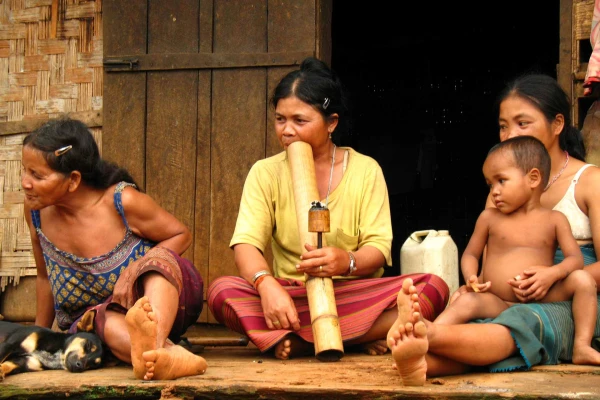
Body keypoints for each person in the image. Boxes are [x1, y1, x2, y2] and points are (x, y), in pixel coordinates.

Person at [207, 57, 450, 360]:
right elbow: (246, 244)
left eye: (300, 120)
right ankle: (360, 335)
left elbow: (377, 249)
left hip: (352, 295)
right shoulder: (265, 172)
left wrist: (345, 262)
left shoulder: (365, 169)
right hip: (291, 299)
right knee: (221, 292)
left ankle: (303, 343)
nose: (287, 130)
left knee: (432, 288)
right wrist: (266, 285)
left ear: (331, 122)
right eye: (280, 119)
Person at [386, 73, 600, 386]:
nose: (509, 134)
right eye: (503, 125)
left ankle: (426, 336)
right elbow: (489, 256)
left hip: (571, 298)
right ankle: (418, 362)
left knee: (521, 323)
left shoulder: (590, 181)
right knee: (475, 310)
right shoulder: (502, 189)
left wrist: (550, 277)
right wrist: (474, 286)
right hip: (508, 293)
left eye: (522, 123)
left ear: (557, 125)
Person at [21, 117, 208, 380]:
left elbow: (181, 234)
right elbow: (44, 277)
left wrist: (134, 270)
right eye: (25, 170)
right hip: (106, 321)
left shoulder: (122, 202)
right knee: (101, 322)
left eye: (37, 175)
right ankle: (163, 355)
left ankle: (154, 341)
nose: (25, 182)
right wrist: (38, 336)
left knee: (156, 265)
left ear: (73, 180)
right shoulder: (35, 212)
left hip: (162, 301)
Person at [435, 136, 600, 362]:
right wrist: (471, 277)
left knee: (583, 280)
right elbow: (471, 254)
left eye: (501, 181)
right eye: (490, 184)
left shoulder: (554, 219)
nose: (494, 191)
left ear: (533, 178)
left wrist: (551, 274)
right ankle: (429, 334)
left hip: (541, 296)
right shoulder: (489, 218)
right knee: (465, 301)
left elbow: (575, 260)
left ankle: (581, 345)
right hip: (498, 300)